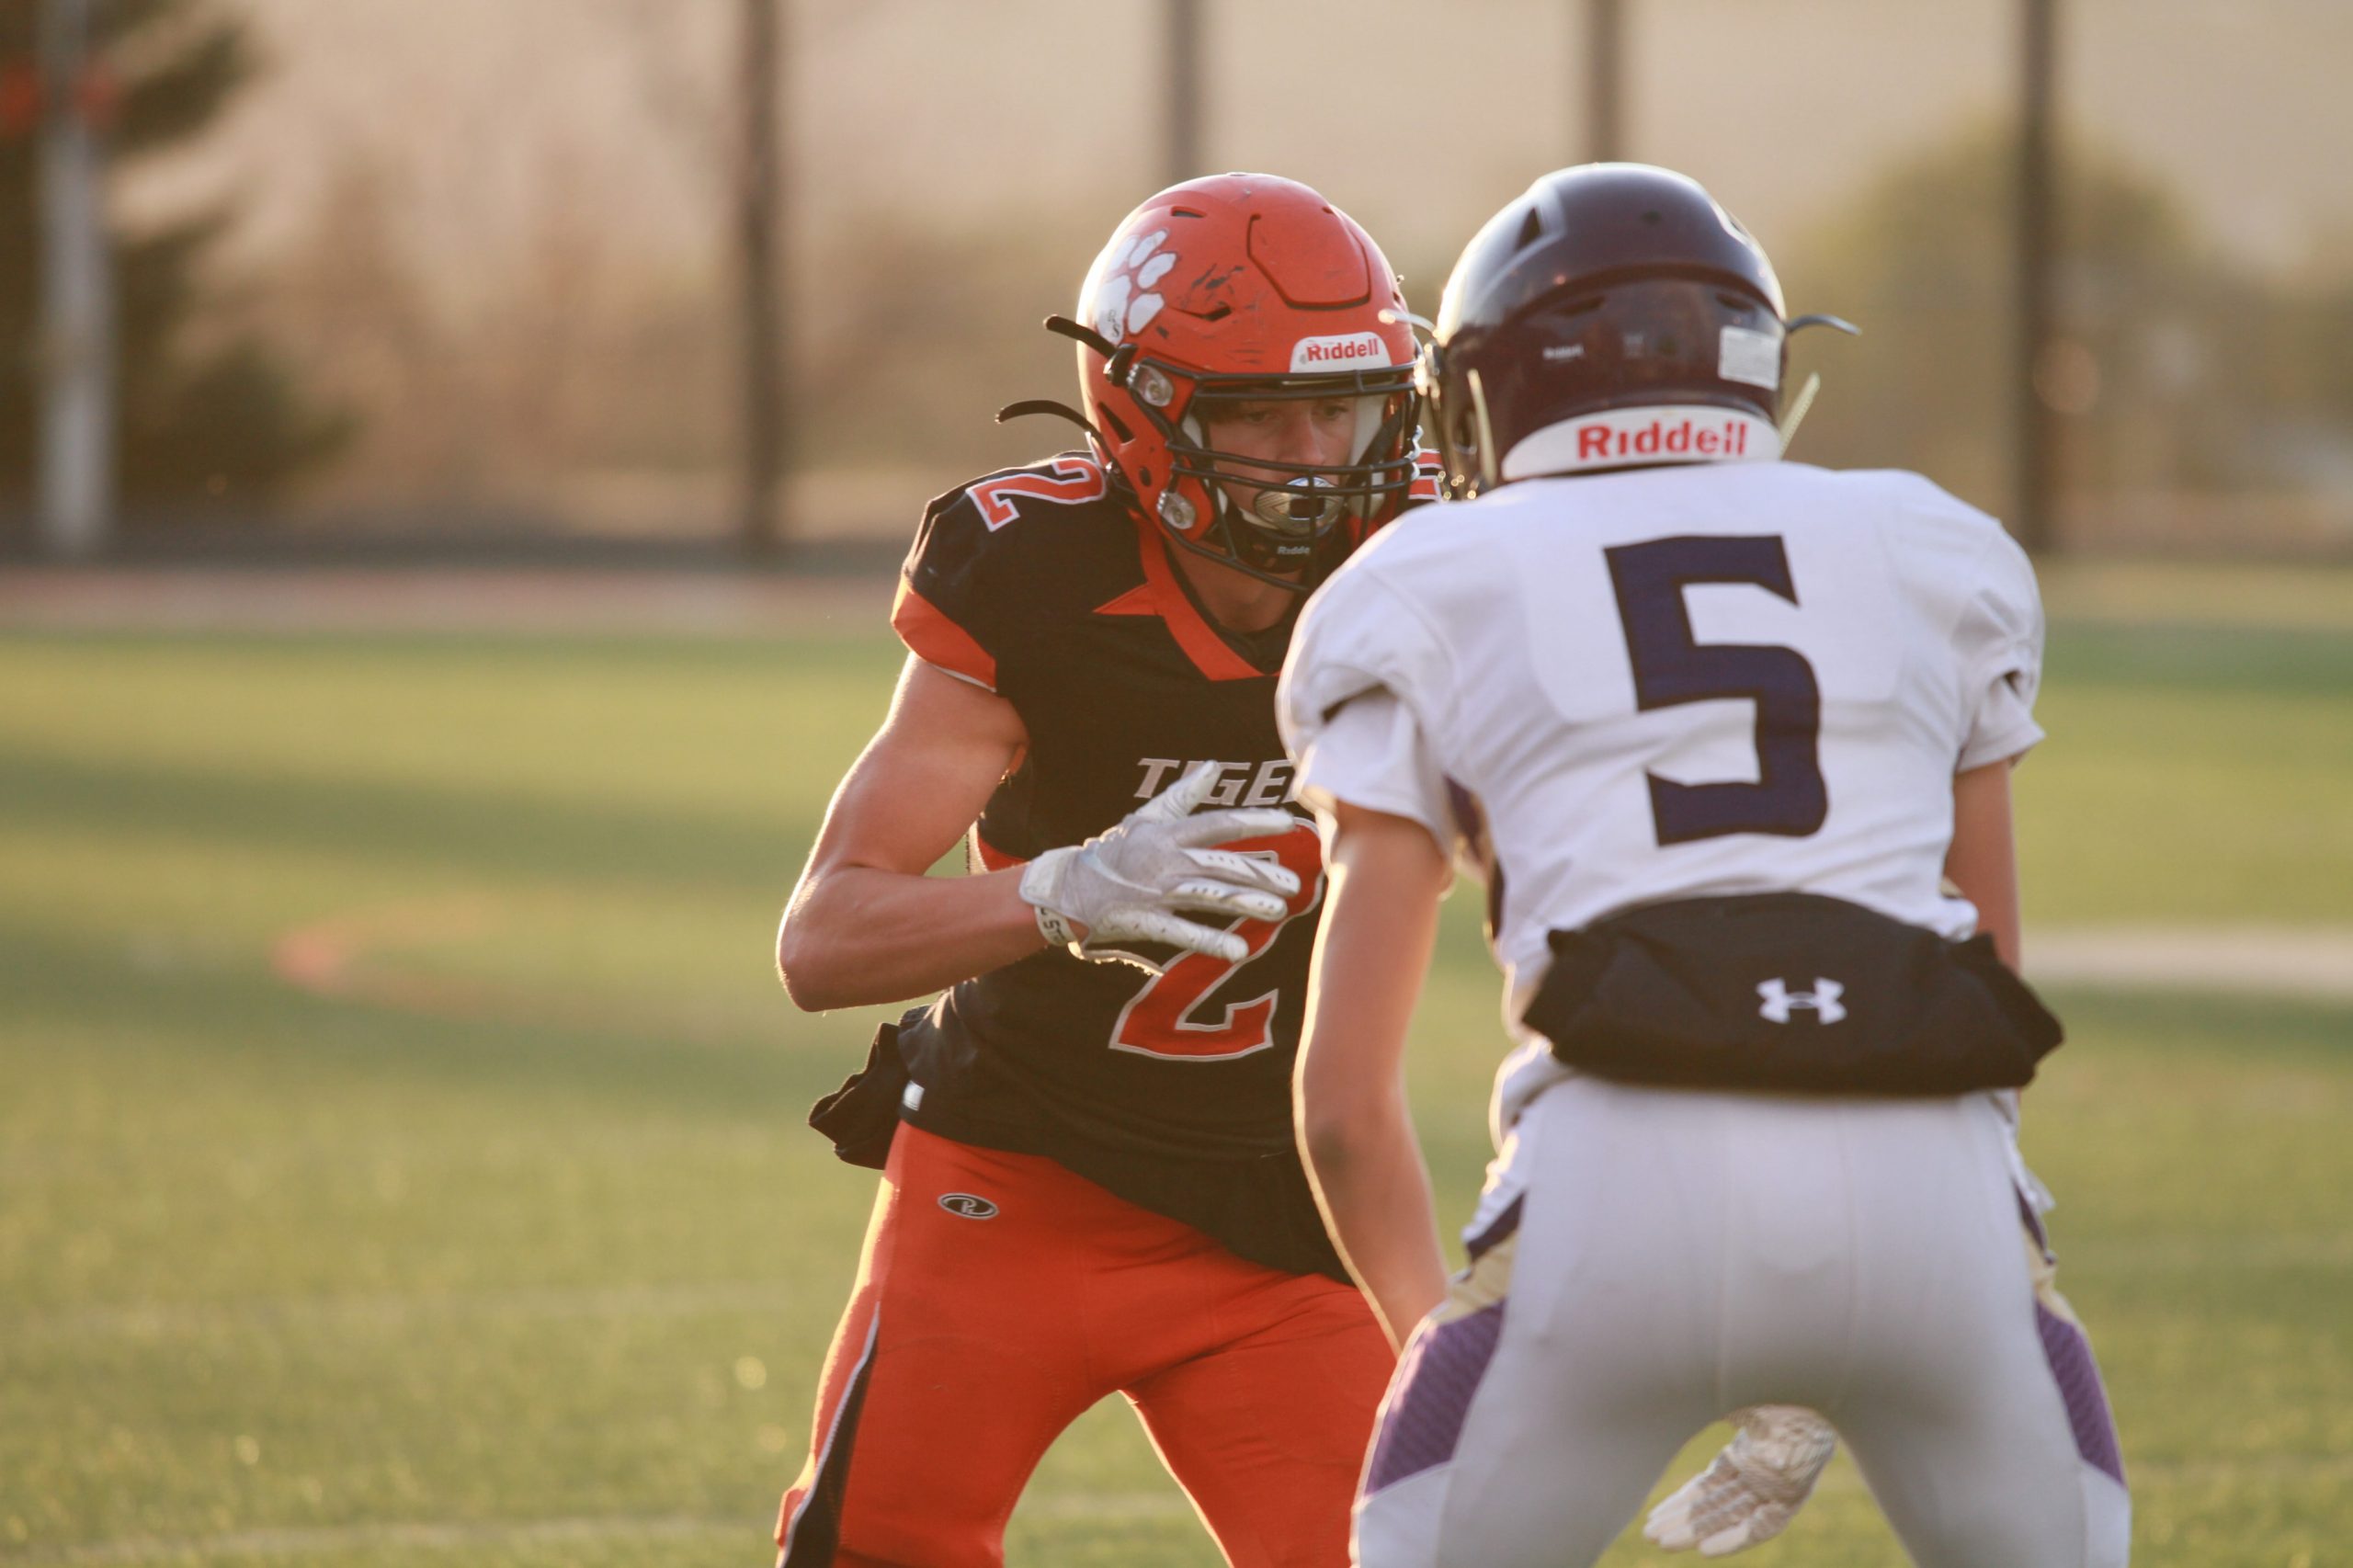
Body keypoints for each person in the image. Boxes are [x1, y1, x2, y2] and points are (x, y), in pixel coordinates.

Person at [1277, 163, 2130, 1568]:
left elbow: (1342, 1111)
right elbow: (1990, 998)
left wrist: (1451, 1341)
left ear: (1490, 385)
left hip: (1615, 1184)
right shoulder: (1934, 548)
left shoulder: (1423, 581)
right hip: (1933, 1196)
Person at [767, 172, 1430, 1568]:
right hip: (1013, 1181)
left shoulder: (1429, 562)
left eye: (1346, 406)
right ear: (1144, 414)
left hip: (1274, 1206)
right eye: (1261, 414)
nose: (1317, 455)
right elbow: (821, 939)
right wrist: (1057, 891)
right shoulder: (1040, 577)